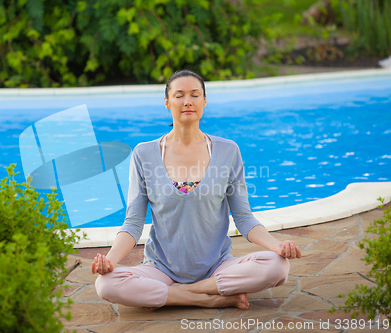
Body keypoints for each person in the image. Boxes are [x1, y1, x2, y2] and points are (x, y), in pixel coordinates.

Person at [91, 70, 302, 311]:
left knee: (278, 266)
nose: (187, 101)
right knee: (106, 285)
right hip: (161, 269)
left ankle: (176, 295)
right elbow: (133, 223)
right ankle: (207, 297)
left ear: (204, 101)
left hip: (218, 267)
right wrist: (110, 260)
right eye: (179, 95)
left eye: (195, 94)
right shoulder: (144, 154)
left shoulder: (227, 151)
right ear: (167, 102)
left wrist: (275, 246)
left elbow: (244, 218)